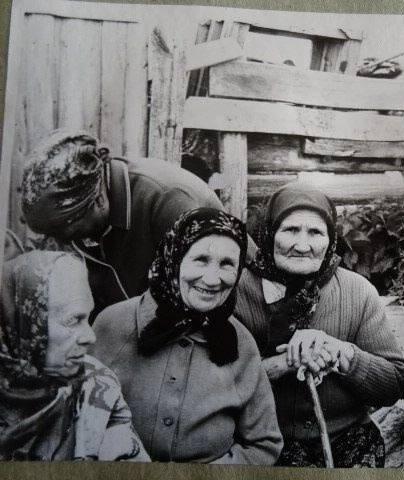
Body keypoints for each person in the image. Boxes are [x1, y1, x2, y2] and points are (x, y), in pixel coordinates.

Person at [234, 182, 404, 467]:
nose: (302, 245)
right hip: (263, 439)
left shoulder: (357, 292)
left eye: (315, 232)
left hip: (348, 436)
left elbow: (393, 384)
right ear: (269, 233)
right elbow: (218, 386)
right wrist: (286, 362)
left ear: (330, 239)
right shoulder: (238, 291)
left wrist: (339, 352)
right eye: (290, 230)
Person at [91, 208, 282, 464]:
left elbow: (264, 443)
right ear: (174, 258)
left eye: (227, 264)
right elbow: (77, 421)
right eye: (201, 259)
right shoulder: (112, 324)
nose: (212, 279)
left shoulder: (240, 342)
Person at [20, 130, 230, 317]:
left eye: (62, 230)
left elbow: (207, 297)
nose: (59, 240)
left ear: (97, 201)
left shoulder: (167, 200)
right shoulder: (91, 213)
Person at [0, 251, 149, 461]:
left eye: (88, 318)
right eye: (73, 320)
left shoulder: (96, 385)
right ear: (25, 324)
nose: (90, 337)